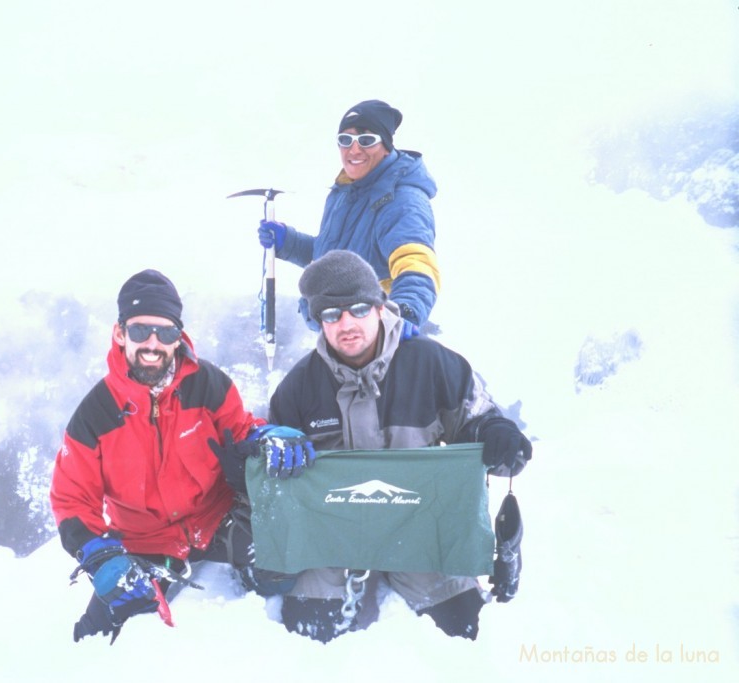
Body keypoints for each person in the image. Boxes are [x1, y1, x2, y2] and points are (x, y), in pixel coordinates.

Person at [261, 249, 532, 643]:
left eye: (356, 308)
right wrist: (270, 447)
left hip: (420, 530)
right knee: (307, 646)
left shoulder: (430, 362)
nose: (346, 323)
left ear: (379, 305)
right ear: (319, 321)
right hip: (332, 539)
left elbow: (477, 419)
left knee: (467, 639)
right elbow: (271, 460)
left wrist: (496, 436)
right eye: (332, 315)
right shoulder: (299, 385)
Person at [50, 268, 313, 643]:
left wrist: (266, 434)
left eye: (166, 331)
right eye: (141, 330)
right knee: (103, 630)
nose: (153, 343)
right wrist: (102, 556)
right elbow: (71, 497)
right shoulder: (96, 414)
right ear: (121, 333)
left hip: (218, 520)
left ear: (178, 337)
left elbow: (238, 429)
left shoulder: (207, 384)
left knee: (280, 572)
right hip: (146, 540)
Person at [257, 99, 440, 330]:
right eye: (345, 140)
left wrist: (405, 313)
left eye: (366, 140)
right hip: (341, 328)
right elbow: (334, 259)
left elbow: (416, 262)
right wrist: (288, 242)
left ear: (385, 146)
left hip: (375, 331)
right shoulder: (345, 192)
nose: (354, 149)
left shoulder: (402, 200)